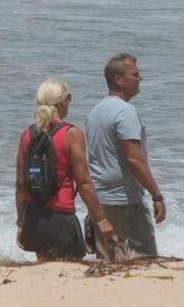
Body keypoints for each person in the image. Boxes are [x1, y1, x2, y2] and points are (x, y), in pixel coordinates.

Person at [15, 79, 114, 261]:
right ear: (60, 102)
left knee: (44, 271)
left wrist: (21, 223)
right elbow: (83, 183)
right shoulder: (71, 134)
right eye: (69, 97)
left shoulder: (27, 135)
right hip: (61, 219)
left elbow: (21, 185)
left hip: (33, 218)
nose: (70, 101)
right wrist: (102, 220)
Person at [83, 52, 166, 259]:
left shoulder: (95, 111)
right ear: (118, 80)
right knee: (144, 260)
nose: (140, 79)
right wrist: (156, 195)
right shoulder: (125, 112)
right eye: (135, 74)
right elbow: (134, 159)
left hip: (101, 200)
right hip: (124, 202)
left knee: (109, 263)